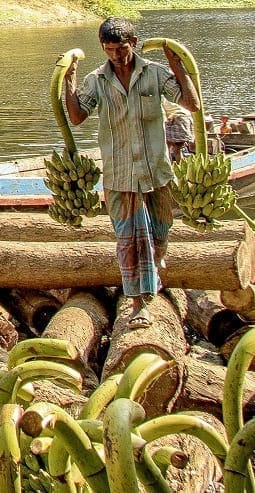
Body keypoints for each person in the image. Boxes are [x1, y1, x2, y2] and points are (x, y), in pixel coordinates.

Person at [64, 17, 200, 328]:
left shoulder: (153, 73)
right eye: (110, 49)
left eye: (122, 48)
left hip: (157, 171)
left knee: (160, 232)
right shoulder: (97, 80)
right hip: (120, 175)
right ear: (103, 48)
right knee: (129, 240)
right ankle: (140, 304)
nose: (117, 55)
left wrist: (174, 61)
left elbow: (191, 103)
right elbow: (76, 116)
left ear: (133, 44)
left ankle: (156, 263)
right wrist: (70, 80)